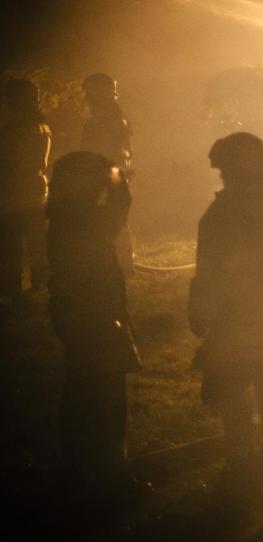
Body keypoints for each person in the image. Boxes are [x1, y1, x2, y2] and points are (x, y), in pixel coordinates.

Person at [189, 132, 263, 486]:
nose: (224, 178)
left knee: (243, 392)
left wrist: (200, 309)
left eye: (226, 171)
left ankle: (249, 459)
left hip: (243, 323)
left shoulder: (225, 212)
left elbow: (207, 270)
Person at [46, 151, 144, 499]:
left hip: (75, 315)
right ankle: (111, 474)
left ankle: (79, 470)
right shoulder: (85, 223)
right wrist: (116, 173)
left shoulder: (63, 217)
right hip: (96, 315)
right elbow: (120, 205)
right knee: (107, 397)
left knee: (80, 393)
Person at [0, 78, 51, 296]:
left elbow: (8, 161)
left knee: (11, 241)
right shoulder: (43, 125)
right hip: (36, 184)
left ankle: (12, 290)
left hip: (15, 188)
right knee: (36, 238)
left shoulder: (16, 128)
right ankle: (41, 284)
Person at [80, 73, 134, 273]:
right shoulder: (116, 118)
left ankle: (119, 266)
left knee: (112, 221)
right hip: (111, 176)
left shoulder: (107, 121)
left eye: (90, 94)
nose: (87, 99)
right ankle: (119, 264)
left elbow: (100, 152)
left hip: (106, 177)